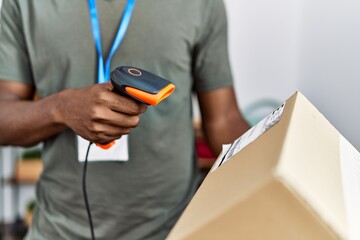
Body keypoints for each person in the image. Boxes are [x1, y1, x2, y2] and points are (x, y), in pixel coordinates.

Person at [0, 0, 249, 239]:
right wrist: (60, 108)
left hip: (175, 229)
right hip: (58, 229)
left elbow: (223, 118)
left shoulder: (201, 3)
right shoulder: (24, 3)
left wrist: (280, 157)